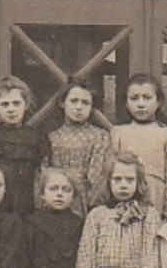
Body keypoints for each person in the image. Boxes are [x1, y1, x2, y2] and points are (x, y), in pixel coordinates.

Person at [110, 73, 167, 221]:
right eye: (134, 98)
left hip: (156, 196)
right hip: (125, 194)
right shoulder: (119, 132)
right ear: (126, 102)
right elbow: (111, 171)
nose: (141, 104)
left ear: (159, 102)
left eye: (147, 98)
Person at [0, 75, 50, 218]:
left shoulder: (38, 137)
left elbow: (43, 172)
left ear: (26, 105)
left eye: (16, 103)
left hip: (28, 200)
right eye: (5, 104)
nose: (11, 109)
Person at [41, 78, 113, 215]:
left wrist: (88, 201)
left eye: (85, 103)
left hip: (88, 204)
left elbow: (98, 177)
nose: (79, 107)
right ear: (62, 103)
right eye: (74, 101)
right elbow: (46, 174)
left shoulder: (100, 137)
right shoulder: (51, 138)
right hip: (58, 200)